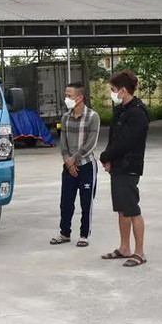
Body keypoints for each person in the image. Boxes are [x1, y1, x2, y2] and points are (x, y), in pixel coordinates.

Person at [99, 70, 149, 267]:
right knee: (121, 210)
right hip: (118, 166)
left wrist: (106, 156)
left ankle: (140, 252)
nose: (111, 93)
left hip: (130, 166)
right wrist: (109, 158)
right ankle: (124, 248)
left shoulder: (137, 112)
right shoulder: (121, 110)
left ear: (123, 90)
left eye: (113, 90)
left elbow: (127, 142)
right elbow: (114, 138)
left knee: (132, 209)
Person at [50, 82, 101, 248]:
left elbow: (91, 144)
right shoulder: (65, 117)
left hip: (86, 166)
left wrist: (75, 159)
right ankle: (64, 233)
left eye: (69, 95)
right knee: (66, 202)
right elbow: (63, 142)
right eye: (66, 95)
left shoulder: (93, 117)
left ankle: (84, 234)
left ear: (79, 98)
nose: (66, 98)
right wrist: (67, 160)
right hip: (68, 166)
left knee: (86, 202)